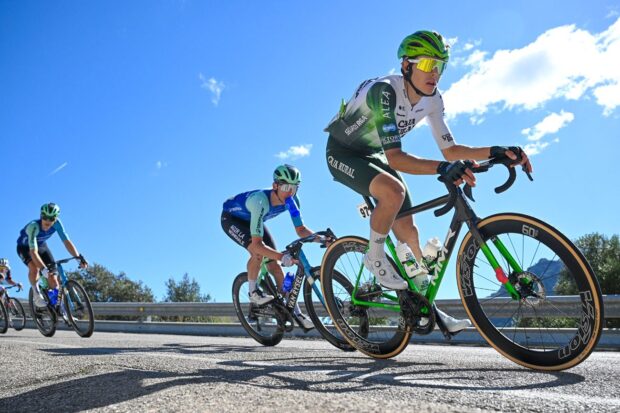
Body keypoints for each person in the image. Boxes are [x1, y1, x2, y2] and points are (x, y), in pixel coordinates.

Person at [324, 30, 532, 333]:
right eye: (426, 65)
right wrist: (444, 168)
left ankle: (427, 309)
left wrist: (498, 150)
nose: (434, 73)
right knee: (392, 191)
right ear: (407, 66)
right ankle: (375, 257)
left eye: (440, 66)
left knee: (410, 232)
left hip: (373, 154)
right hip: (342, 152)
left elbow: (451, 150)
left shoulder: (432, 100)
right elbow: (396, 158)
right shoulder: (383, 91)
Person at [221, 165, 323, 330]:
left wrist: (322, 239)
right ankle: (253, 292)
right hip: (232, 219)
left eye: (295, 188)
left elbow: (301, 230)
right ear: (275, 185)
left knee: (274, 266)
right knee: (258, 252)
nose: (290, 192)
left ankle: (295, 311)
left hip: (255, 221)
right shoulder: (260, 201)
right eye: (286, 187)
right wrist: (282, 257)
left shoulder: (293, 201)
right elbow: (257, 245)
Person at [16, 203, 88, 308]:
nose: (48, 221)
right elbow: (33, 252)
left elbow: (67, 241)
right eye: (45, 217)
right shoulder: (34, 226)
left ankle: (59, 308)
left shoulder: (57, 224)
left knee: (53, 277)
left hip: (41, 246)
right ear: (41, 216)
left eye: (51, 218)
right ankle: (36, 294)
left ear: (56, 218)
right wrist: (43, 269)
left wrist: (78, 258)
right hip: (25, 248)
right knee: (35, 268)